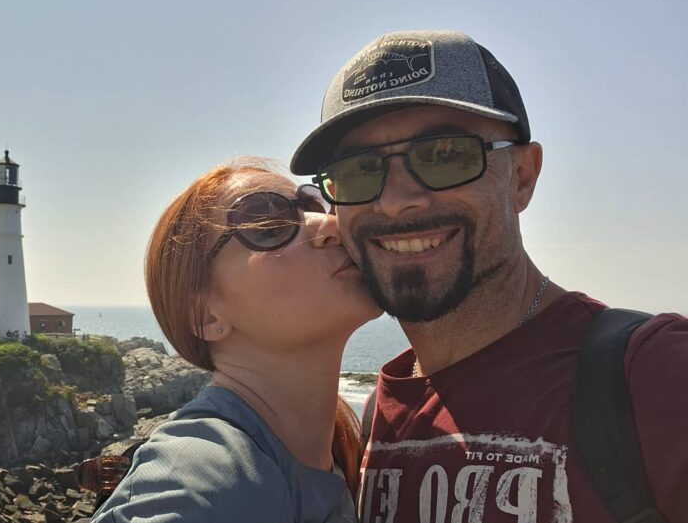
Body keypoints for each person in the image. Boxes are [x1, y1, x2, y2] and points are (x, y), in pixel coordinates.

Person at [290, 30, 688, 522]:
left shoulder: (654, 374)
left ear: (522, 175)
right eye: (357, 171)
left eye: (443, 155)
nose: (395, 201)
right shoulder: (381, 414)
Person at [91, 159, 382, 523]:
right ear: (206, 316)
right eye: (269, 224)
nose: (330, 224)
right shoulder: (204, 471)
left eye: (316, 206)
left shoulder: (345, 458)